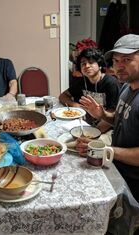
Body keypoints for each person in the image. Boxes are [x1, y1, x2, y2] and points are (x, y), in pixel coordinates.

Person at [77, 34, 139, 203]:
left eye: (127, 59)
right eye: (116, 60)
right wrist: (102, 114)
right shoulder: (126, 88)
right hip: (116, 166)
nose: (119, 66)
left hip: (132, 181)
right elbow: (121, 120)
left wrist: (106, 150)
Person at [59, 47, 120, 133]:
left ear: (100, 65)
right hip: (84, 124)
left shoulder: (111, 83)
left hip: (106, 129)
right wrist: (75, 104)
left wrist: (93, 133)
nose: (87, 66)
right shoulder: (82, 81)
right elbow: (63, 96)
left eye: (91, 62)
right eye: (83, 63)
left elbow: (112, 115)